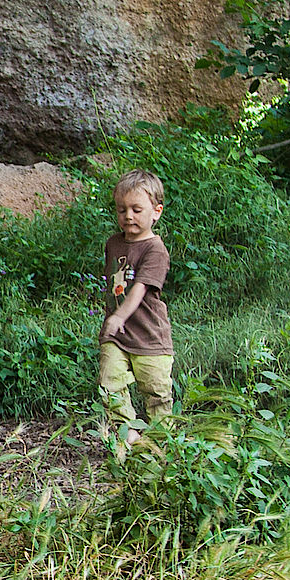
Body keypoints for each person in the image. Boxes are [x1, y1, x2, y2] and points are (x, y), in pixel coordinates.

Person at [99, 169, 173, 445]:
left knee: (155, 391)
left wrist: (119, 315)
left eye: (136, 209)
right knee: (110, 383)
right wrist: (113, 318)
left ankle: (162, 443)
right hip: (116, 334)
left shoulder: (155, 249)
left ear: (156, 211)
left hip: (149, 335)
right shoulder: (114, 243)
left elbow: (140, 287)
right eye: (122, 209)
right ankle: (126, 433)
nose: (128, 216)